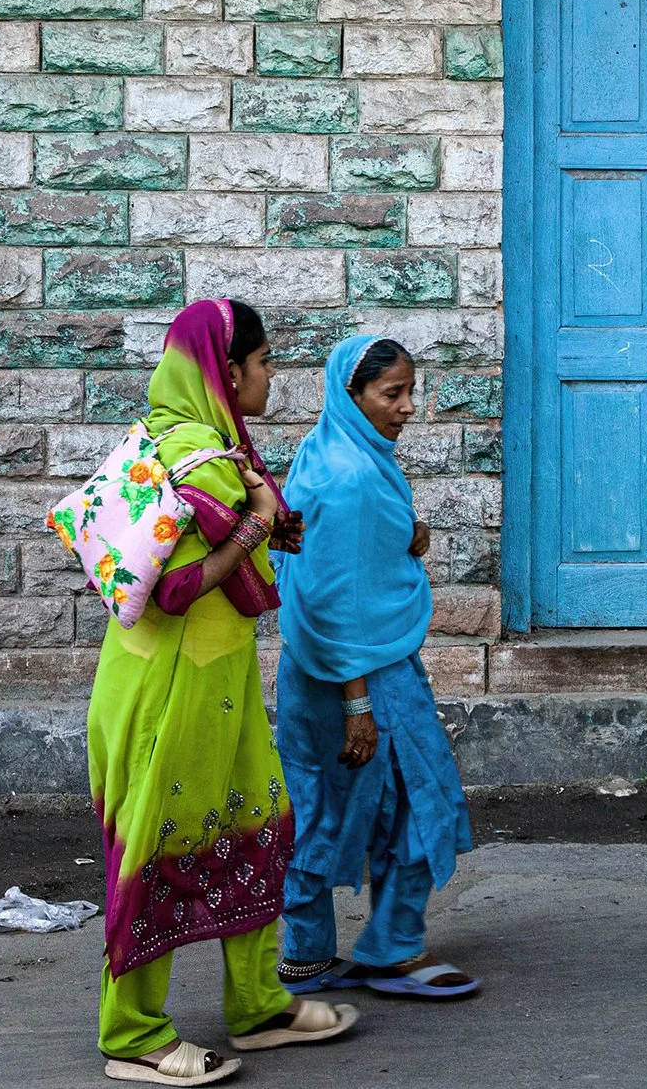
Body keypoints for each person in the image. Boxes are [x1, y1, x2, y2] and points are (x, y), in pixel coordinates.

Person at [87, 298, 358, 1086]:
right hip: (173, 688)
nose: (273, 375)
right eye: (265, 360)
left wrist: (264, 522)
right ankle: (132, 1034)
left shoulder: (182, 439)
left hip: (208, 683)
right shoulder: (202, 457)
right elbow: (175, 588)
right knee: (157, 850)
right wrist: (254, 526)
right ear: (225, 369)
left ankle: (260, 1002)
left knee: (257, 826)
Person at [270, 336, 480, 1000]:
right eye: (392, 394)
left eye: (412, 391)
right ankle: (392, 947)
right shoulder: (356, 475)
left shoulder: (326, 451)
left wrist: (405, 536)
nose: (408, 407)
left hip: (312, 671)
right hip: (365, 670)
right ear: (352, 395)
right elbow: (337, 601)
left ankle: (303, 954)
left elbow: (326, 560)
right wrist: (359, 702)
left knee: (319, 804)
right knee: (421, 798)